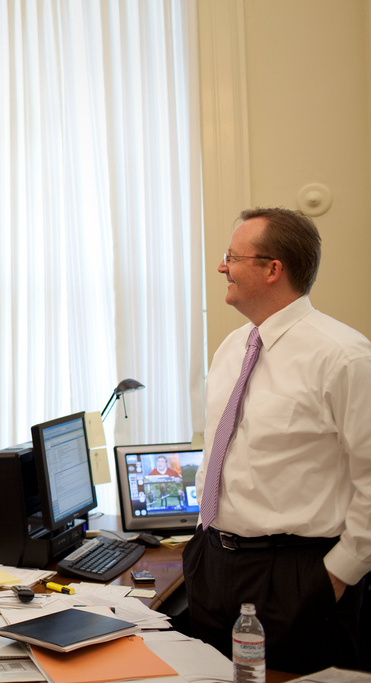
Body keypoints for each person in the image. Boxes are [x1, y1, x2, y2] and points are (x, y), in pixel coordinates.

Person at [184, 206, 371, 674]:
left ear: (273, 269)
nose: (222, 266)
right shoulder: (231, 348)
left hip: (295, 573)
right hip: (213, 563)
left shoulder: (344, 357)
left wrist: (338, 573)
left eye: (233, 256)